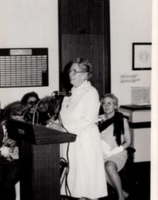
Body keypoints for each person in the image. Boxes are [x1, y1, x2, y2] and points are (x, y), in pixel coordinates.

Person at [58, 58, 107, 200]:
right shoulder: (70, 93)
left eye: (75, 71)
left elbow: (88, 119)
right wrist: (55, 123)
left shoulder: (91, 92)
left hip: (85, 142)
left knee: (87, 187)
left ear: (86, 75)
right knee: (75, 186)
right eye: (70, 71)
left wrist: (63, 128)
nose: (70, 74)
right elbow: (65, 116)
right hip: (70, 141)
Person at [0, 101, 27, 200]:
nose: (18, 123)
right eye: (15, 119)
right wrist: (2, 151)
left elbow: (29, 150)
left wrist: (16, 146)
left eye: (21, 119)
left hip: (16, 162)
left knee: (7, 180)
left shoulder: (26, 127)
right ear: (8, 116)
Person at [98, 93, 131, 200]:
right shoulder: (97, 119)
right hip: (100, 153)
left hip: (117, 153)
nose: (106, 106)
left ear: (115, 106)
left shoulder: (122, 120)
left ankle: (121, 197)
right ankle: (123, 193)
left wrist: (112, 152)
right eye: (104, 103)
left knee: (108, 166)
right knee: (94, 167)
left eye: (109, 103)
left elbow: (128, 142)